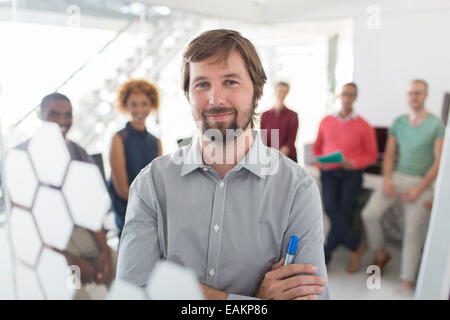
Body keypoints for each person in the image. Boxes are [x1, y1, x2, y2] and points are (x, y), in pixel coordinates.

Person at [117, 29, 329, 300]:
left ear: (258, 91)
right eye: (202, 84)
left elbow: (314, 297)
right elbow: (132, 293)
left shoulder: (296, 188)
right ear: (188, 95)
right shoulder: (152, 184)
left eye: (230, 82)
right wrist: (252, 300)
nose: (215, 99)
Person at [19, 92, 117, 299]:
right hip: (47, 243)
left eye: (67, 115)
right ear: (39, 114)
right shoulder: (22, 157)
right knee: (75, 292)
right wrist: (71, 259)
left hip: (82, 233)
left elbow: (93, 210)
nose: (62, 121)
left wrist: (105, 253)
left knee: (125, 270)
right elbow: (27, 226)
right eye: (54, 114)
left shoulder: (79, 154)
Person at [362, 79, 445, 294]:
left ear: (426, 95)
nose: (413, 97)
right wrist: (388, 179)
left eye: (417, 93)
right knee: (369, 214)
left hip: (421, 182)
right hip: (397, 177)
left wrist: (419, 189)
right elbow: (389, 155)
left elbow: (439, 163)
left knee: (413, 232)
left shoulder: (435, 125)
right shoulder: (399, 122)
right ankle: (381, 253)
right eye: (410, 93)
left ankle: (406, 280)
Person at [313, 83, 378, 272]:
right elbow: (317, 149)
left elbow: (371, 155)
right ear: (339, 96)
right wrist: (320, 163)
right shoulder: (326, 121)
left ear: (355, 98)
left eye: (351, 95)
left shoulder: (364, 125)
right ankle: (356, 246)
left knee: (344, 211)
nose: (347, 98)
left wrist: (354, 163)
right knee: (332, 209)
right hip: (329, 172)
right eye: (344, 94)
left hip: (352, 173)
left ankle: (325, 257)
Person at [108, 79, 162, 239]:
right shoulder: (118, 139)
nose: (139, 109)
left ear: (151, 105)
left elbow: (158, 181)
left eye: (144, 103)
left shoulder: (156, 142)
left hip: (151, 214)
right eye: (134, 104)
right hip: (128, 216)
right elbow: (122, 190)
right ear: (126, 106)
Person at [260, 82, 299, 162]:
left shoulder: (293, 115)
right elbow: (263, 139)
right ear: (274, 92)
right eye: (280, 91)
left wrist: (280, 154)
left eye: (285, 92)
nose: (282, 94)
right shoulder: (265, 115)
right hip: (269, 157)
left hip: (289, 157)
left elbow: (291, 139)